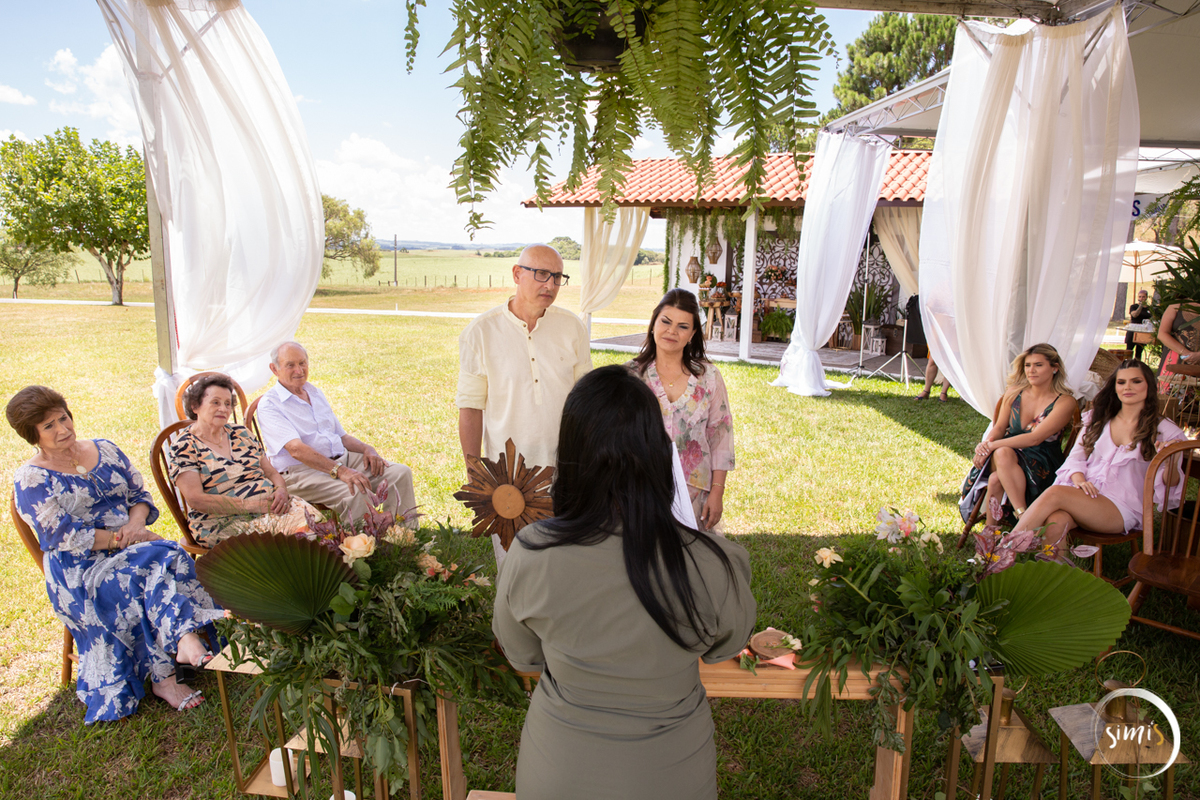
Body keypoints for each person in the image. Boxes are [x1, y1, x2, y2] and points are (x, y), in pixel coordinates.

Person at [492, 366, 756, 800]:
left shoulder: (531, 555)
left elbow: (523, 655)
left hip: (560, 773)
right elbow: (726, 644)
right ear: (657, 453)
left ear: (571, 457)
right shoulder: (712, 563)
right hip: (671, 776)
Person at [7, 386, 222, 722]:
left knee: (162, 556)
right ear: (32, 435)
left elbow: (140, 497)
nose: (63, 429)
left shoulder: (104, 449)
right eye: (49, 426)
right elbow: (62, 536)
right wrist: (124, 540)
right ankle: (175, 658)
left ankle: (180, 646)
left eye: (63, 418)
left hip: (135, 546)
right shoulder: (31, 478)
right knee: (163, 556)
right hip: (81, 569)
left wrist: (135, 528)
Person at [1009, 361, 1184, 556]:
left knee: (1055, 494)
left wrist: (1171, 461)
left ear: (1149, 386)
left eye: (1136, 381)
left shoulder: (1166, 431)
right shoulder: (1099, 419)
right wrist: (1079, 479)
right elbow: (1075, 458)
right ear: (1115, 387)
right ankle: (1056, 581)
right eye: (1121, 382)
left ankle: (1000, 555)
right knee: (1056, 522)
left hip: (1122, 507)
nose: (1127, 387)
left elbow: (1171, 486)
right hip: (1086, 496)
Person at [456, 243, 592, 471]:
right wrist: (474, 471)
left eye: (558, 276)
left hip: (567, 466)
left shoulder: (573, 328)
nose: (551, 284)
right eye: (541, 274)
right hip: (507, 472)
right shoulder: (480, 332)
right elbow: (470, 408)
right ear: (517, 274)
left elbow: (588, 398)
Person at [256, 342, 417, 526]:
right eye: (290, 365)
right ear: (274, 369)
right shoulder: (270, 404)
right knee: (356, 491)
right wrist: (340, 471)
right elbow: (296, 450)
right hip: (301, 472)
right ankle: (364, 549)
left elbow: (341, 437)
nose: (299, 370)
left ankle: (406, 540)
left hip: (341, 460)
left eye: (302, 363)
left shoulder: (314, 393)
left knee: (400, 473)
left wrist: (367, 448)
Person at [169, 373, 320, 546]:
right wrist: (252, 506)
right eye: (215, 402)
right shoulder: (185, 446)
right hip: (222, 521)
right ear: (195, 406)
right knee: (296, 536)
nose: (223, 409)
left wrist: (280, 490)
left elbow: (271, 472)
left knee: (319, 524)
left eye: (227, 404)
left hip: (268, 509)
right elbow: (196, 499)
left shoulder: (241, 433)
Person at [627, 288, 734, 531]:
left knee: (691, 563)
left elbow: (720, 437)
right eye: (665, 321)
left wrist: (717, 492)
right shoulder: (630, 376)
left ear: (693, 333)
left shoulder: (709, 377)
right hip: (640, 493)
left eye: (683, 326)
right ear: (654, 323)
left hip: (695, 497)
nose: (672, 331)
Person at [960, 343, 1076, 526]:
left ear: (1055, 368)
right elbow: (999, 429)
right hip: (1007, 455)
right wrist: (985, 446)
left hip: (1042, 458)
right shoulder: (1014, 393)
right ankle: (1024, 517)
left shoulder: (1065, 401)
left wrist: (991, 446)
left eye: (1038, 365)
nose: (1031, 370)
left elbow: (1035, 438)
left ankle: (993, 533)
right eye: (1027, 365)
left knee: (996, 478)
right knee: (1003, 453)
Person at [1157, 298, 1200, 386]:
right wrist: (1186, 353)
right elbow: (1162, 333)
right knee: (1169, 395)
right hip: (1174, 358)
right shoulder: (1177, 305)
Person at [1125, 289, 1152, 361]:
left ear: (1146, 297)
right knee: (1129, 349)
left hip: (1143, 330)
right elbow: (1134, 315)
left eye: (1143, 297)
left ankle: (1137, 364)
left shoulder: (1149, 308)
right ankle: (1127, 364)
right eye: (1140, 297)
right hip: (1133, 329)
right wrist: (1140, 306)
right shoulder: (1134, 306)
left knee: (1139, 351)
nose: (1141, 298)